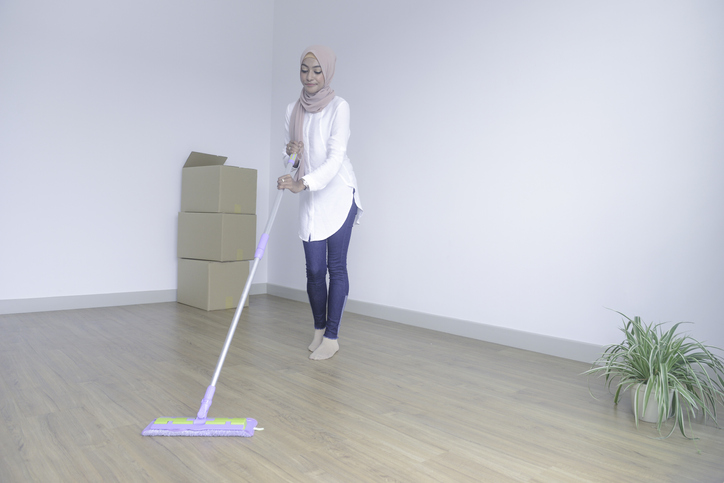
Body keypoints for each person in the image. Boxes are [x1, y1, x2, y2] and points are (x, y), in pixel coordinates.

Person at [277, 45, 363, 361]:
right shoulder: (292, 110)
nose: (310, 76)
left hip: (338, 192)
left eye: (317, 70)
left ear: (327, 72)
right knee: (314, 270)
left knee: (334, 266)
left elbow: (335, 158)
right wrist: (290, 154)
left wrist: (303, 183)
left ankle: (332, 336)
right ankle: (318, 330)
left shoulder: (339, 107)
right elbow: (293, 158)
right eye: (304, 69)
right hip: (311, 197)